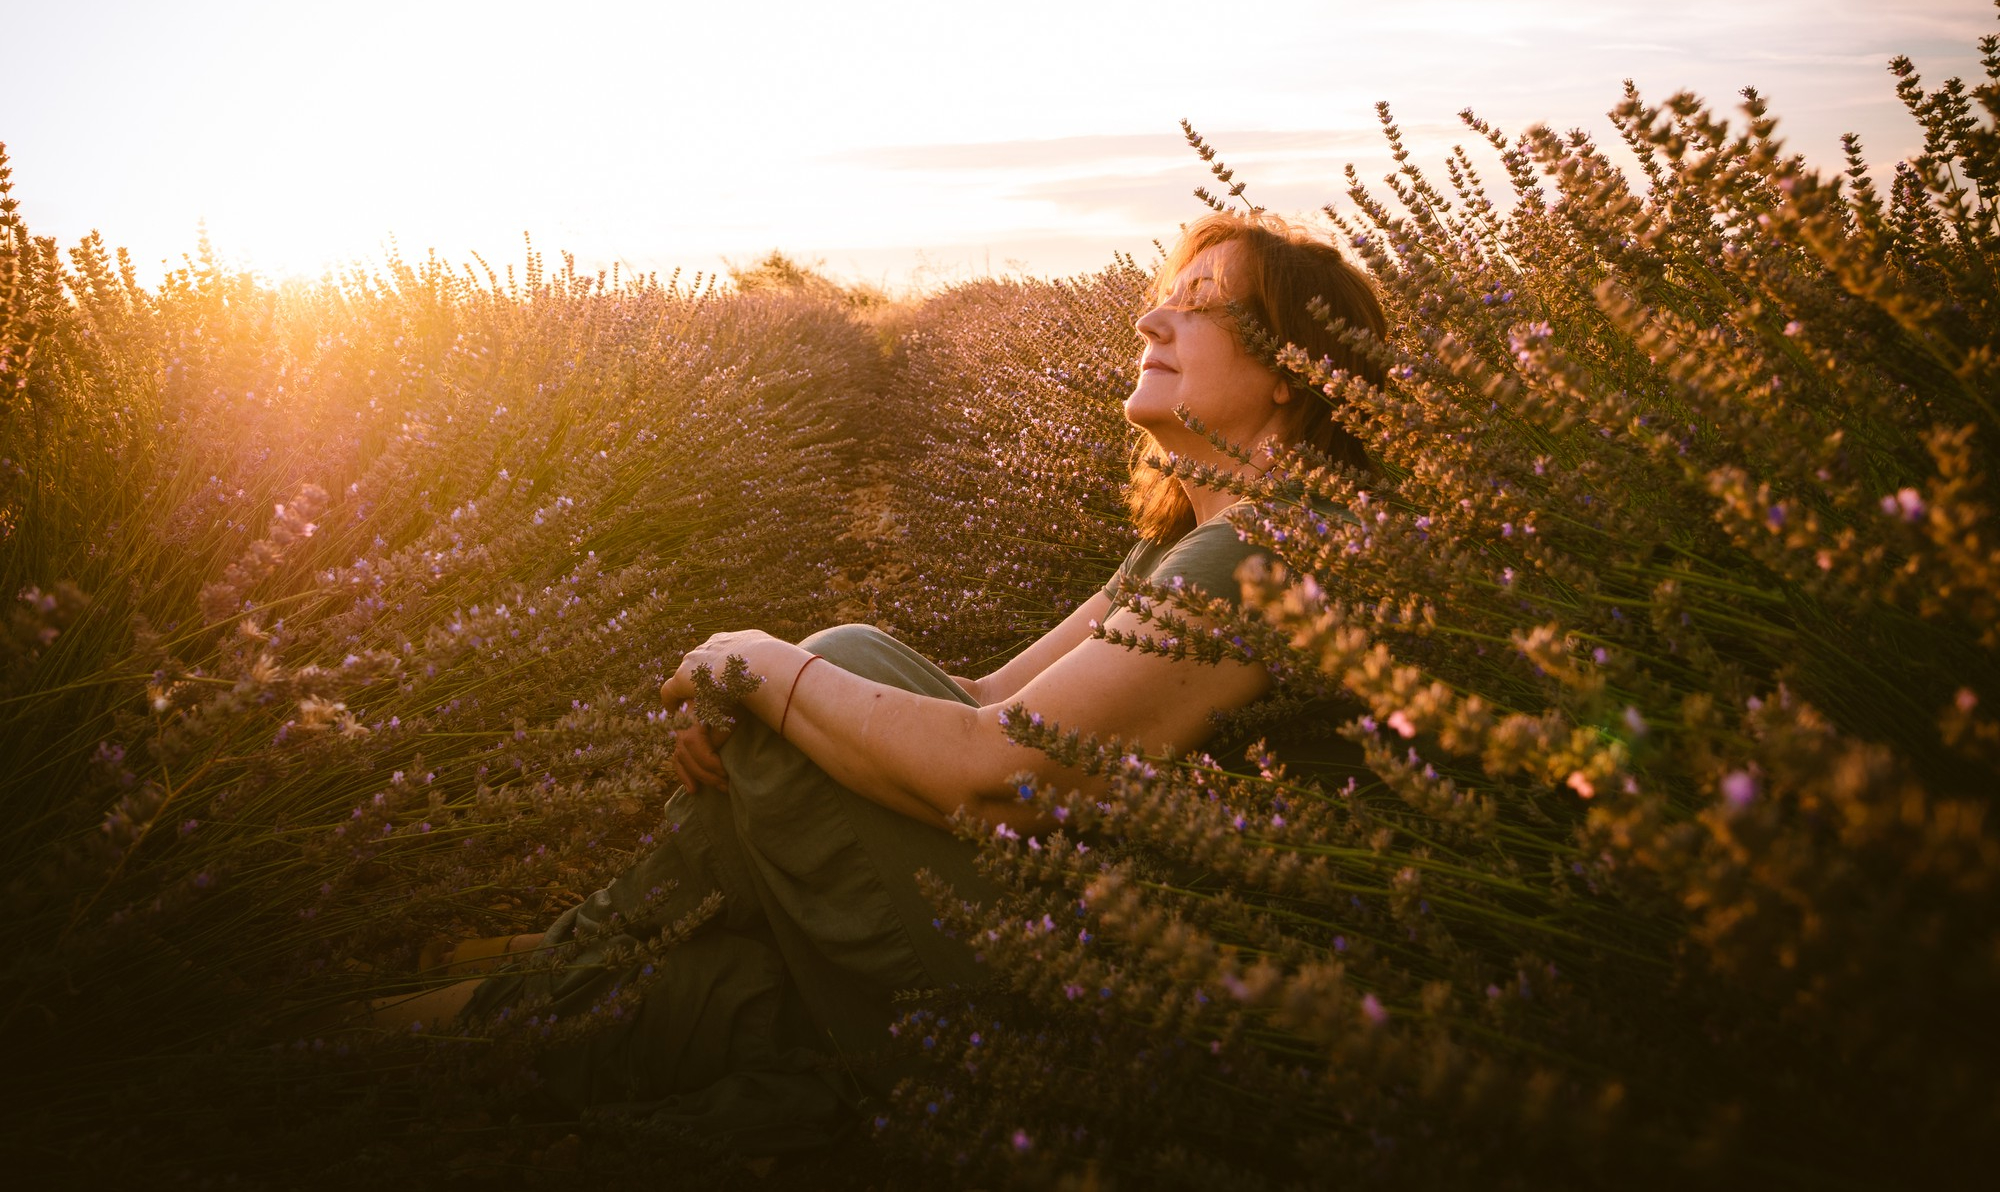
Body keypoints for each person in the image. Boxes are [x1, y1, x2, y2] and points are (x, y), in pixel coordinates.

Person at [370, 210, 1387, 1149]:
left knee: (824, 675)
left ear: (1293, 368)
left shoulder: (1265, 553)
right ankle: (530, 999)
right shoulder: (1196, 541)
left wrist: (756, 665)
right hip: (1059, 945)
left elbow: (997, 775)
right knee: (817, 727)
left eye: (1199, 302)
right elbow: (985, 696)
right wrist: (775, 695)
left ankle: (520, 990)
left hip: (1116, 1019)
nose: (1149, 313)